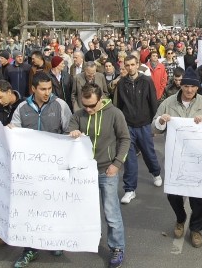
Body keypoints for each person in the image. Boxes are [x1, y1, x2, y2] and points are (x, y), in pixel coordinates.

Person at [9, 72, 72, 267]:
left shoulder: (60, 105)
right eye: (43, 89)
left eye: (49, 89)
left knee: (52, 206)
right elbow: (14, 131)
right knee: (30, 209)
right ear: (33, 89)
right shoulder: (22, 107)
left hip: (53, 168)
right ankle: (30, 249)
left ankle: (53, 240)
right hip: (29, 169)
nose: (47, 93)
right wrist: (6, 130)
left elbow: (69, 131)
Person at [153, 68, 202, 249]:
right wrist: (161, 121)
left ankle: (196, 229)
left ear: (197, 87)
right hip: (175, 158)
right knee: (173, 194)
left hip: (198, 159)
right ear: (181, 85)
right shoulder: (168, 102)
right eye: (186, 86)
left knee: (198, 198)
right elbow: (153, 127)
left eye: (193, 86)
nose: (189, 90)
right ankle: (180, 218)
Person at [69, 84, 130, 268]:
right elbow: (69, 131)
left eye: (92, 106)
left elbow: (125, 139)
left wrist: (117, 164)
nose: (88, 109)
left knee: (111, 212)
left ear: (101, 99)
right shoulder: (78, 115)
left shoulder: (115, 113)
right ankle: (93, 236)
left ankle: (117, 247)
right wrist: (72, 133)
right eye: (84, 105)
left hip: (107, 170)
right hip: (85, 172)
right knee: (89, 210)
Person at [114, 55, 162, 204]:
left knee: (148, 152)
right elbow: (118, 105)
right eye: (127, 65)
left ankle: (156, 173)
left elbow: (153, 102)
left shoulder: (146, 81)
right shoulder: (121, 83)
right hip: (128, 126)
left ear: (138, 65)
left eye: (132, 64)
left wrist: (154, 125)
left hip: (144, 124)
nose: (129, 67)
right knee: (129, 159)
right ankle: (130, 189)